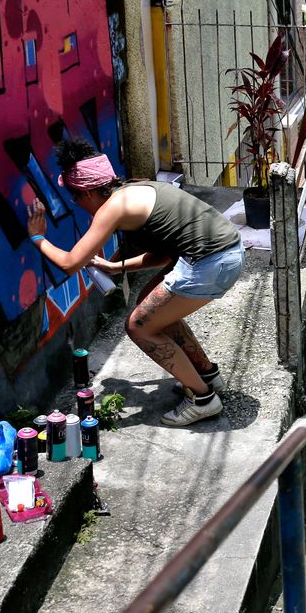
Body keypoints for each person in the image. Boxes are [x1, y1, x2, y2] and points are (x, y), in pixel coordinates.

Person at [26, 139, 246, 427]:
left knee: (138, 326)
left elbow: (70, 262)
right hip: (224, 253)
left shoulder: (113, 208)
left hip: (209, 263)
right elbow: (166, 251)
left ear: (88, 191)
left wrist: (37, 237)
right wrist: (115, 268)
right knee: (149, 304)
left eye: (75, 197)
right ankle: (205, 375)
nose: (76, 204)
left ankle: (203, 399)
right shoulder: (136, 189)